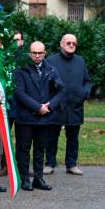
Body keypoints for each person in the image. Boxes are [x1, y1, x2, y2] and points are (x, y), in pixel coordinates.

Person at [14, 41, 64, 191]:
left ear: (44, 53)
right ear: (29, 53)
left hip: (44, 118)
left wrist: (49, 106)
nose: (37, 56)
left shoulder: (51, 70)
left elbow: (61, 91)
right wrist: (37, 107)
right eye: (34, 53)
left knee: (40, 148)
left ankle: (38, 178)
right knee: (23, 148)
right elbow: (19, 93)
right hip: (25, 117)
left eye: (40, 53)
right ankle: (24, 179)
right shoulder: (21, 69)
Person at [44, 34, 91, 176]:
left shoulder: (81, 61)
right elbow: (44, 83)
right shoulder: (50, 61)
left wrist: (84, 93)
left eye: (74, 43)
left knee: (73, 137)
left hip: (75, 106)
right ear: (61, 44)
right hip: (57, 106)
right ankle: (50, 163)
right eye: (68, 43)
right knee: (51, 136)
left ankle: (71, 164)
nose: (71, 45)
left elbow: (87, 81)